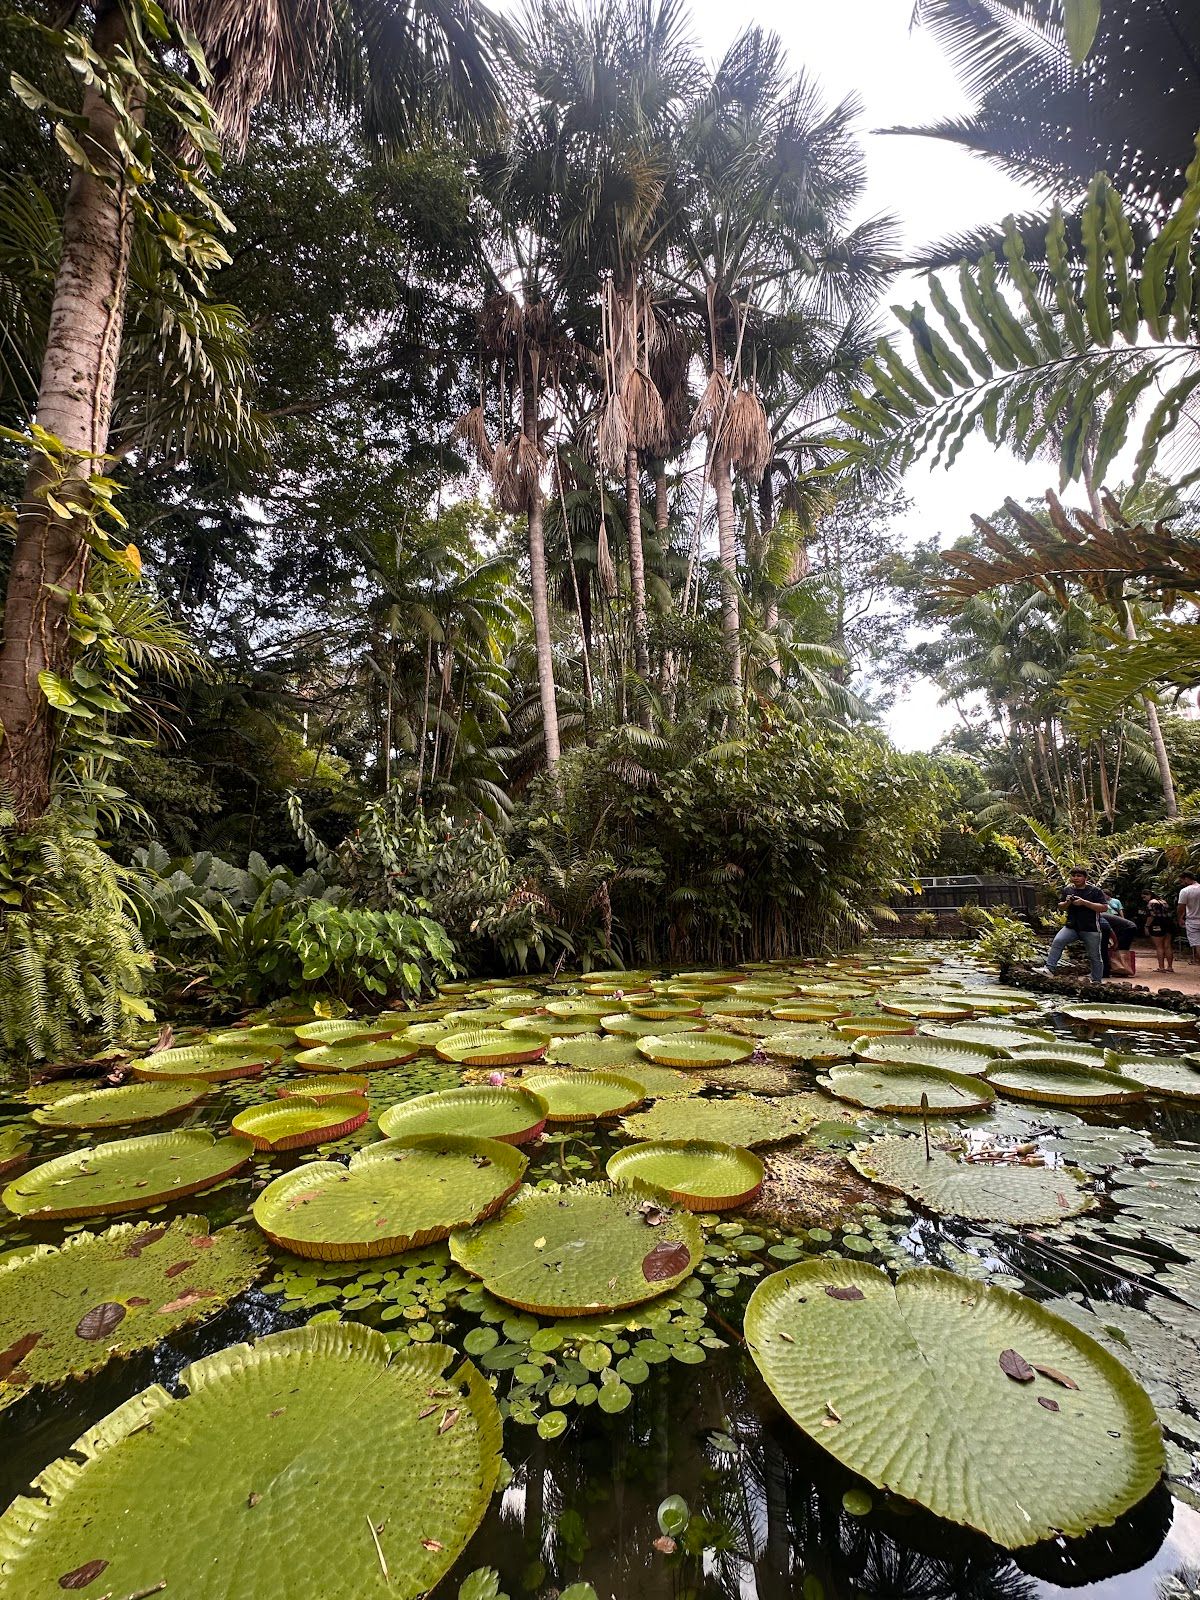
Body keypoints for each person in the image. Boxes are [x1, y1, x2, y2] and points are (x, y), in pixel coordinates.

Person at [1044, 866, 1108, 983]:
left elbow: (1103, 907)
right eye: (1073, 876)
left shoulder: (1094, 891)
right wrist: (1068, 902)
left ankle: (1096, 980)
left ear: (1085, 878)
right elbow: (1061, 906)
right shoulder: (1068, 890)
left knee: (1094, 955)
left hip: (1090, 928)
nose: (1076, 878)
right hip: (1072, 926)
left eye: (1079, 876)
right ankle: (1049, 969)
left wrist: (1084, 902)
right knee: (1058, 941)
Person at [1144, 894, 1175, 972]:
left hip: (1157, 924)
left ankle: (1161, 967)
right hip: (1168, 923)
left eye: (1144, 897)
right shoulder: (1164, 901)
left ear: (1149, 895)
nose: (1144, 899)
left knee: (1159, 946)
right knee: (1168, 945)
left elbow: (1151, 916)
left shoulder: (1151, 903)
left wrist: (1147, 926)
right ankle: (1170, 967)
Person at [1178, 872, 1200, 965]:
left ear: (1186, 878)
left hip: (1193, 920)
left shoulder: (1185, 891)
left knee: (1197, 944)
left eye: (1182, 880)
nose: (1182, 883)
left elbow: (1181, 907)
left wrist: (1180, 918)